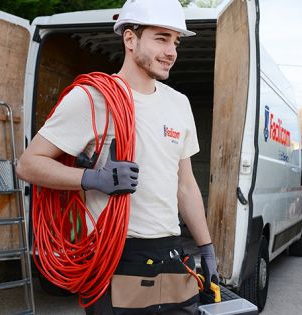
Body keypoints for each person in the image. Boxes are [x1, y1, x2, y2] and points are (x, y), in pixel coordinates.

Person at [16, 0, 219, 314]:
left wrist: (206, 247)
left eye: (175, 41)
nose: (172, 51)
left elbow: (186, 185)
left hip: (171, 252)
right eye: (161, 38)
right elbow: (28, 164)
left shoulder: (179, 104)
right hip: (117, 254)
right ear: (130, 39)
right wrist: (93, 178)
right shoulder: (93, 97)